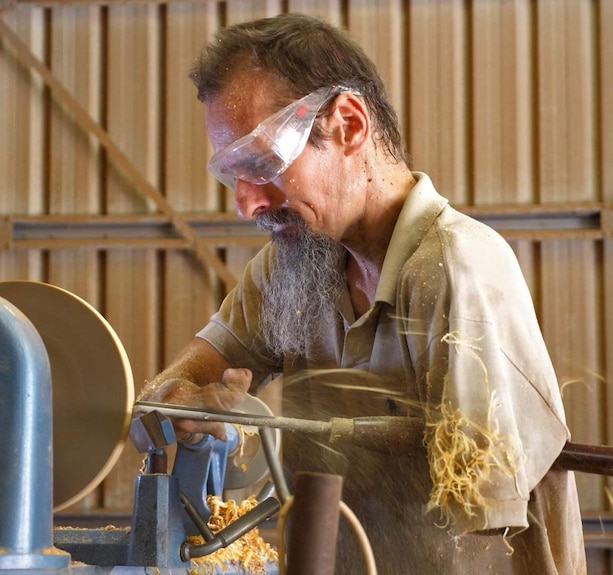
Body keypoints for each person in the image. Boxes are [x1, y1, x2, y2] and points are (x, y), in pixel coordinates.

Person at [138, 12, 586, 574]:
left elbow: (482, 530)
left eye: (263, 164)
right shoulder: (297, 264)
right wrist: (181, 402)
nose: (247, 205)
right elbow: (188, 378)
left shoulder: (453, 268)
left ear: (349, 125)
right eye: (235, 176)